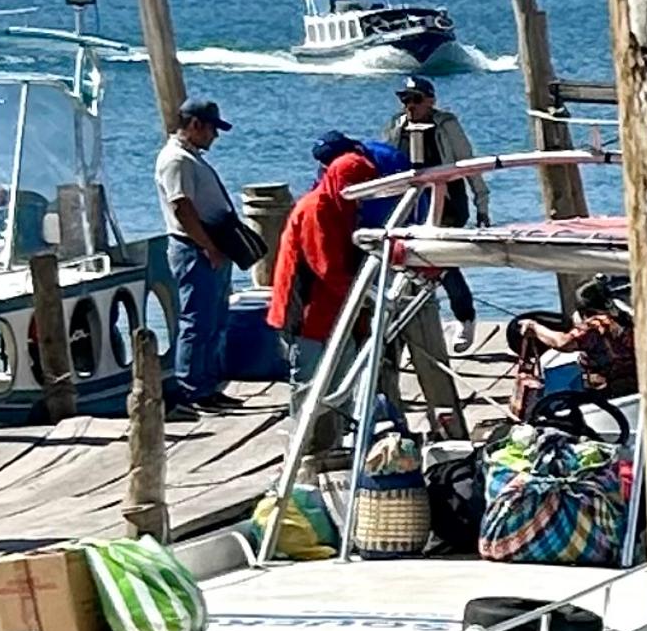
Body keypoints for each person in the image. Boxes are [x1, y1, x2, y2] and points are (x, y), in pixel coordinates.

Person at [151, 93, 248, 416]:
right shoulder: (175, 160)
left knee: (215, 320)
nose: (214, 136)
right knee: (197, 321)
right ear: (194, 125)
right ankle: (192, 390)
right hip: (194, 249)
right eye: (211, 128)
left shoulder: (189, 157)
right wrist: (208, 246)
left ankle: (208, 386)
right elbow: (182, 207)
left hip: (210, 247)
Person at [265, 139, 384, 380]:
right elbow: (327, 269)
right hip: (306, 311)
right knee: (308, 382)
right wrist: (369, 299)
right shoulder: (316, 209)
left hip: (334, 309)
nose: (361, 198)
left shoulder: (343, 208)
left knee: (343, 378)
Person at [385, 73, 481, 324]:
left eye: (416, 99)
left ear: (430, 100)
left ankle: (465, 317)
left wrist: (482, 204)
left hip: (447, 203)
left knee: (442, 260)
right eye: (404, 99)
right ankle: (417, 320)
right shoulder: (397, 125)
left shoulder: (446, 125)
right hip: (411, 203)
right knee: (408, 259)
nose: (410, 106)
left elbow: (469, 163)